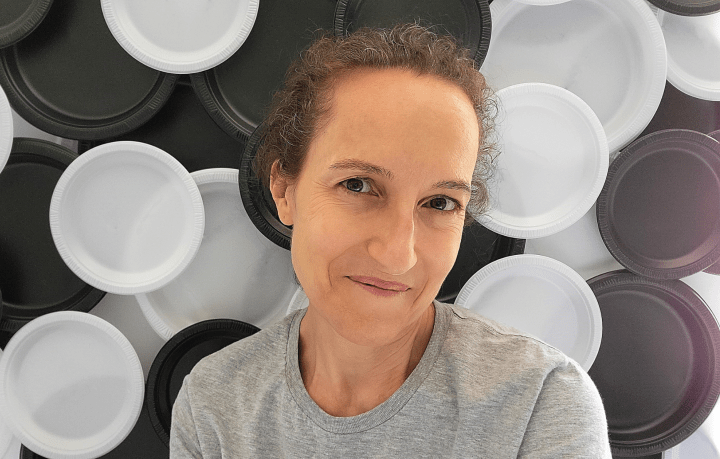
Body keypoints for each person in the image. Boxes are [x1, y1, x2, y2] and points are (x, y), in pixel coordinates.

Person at [169, 22, 611, 458]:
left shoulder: (541, 405)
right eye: (358, 185)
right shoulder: (214, 405)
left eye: (440, 203)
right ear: (285, 191)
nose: (398, 256)